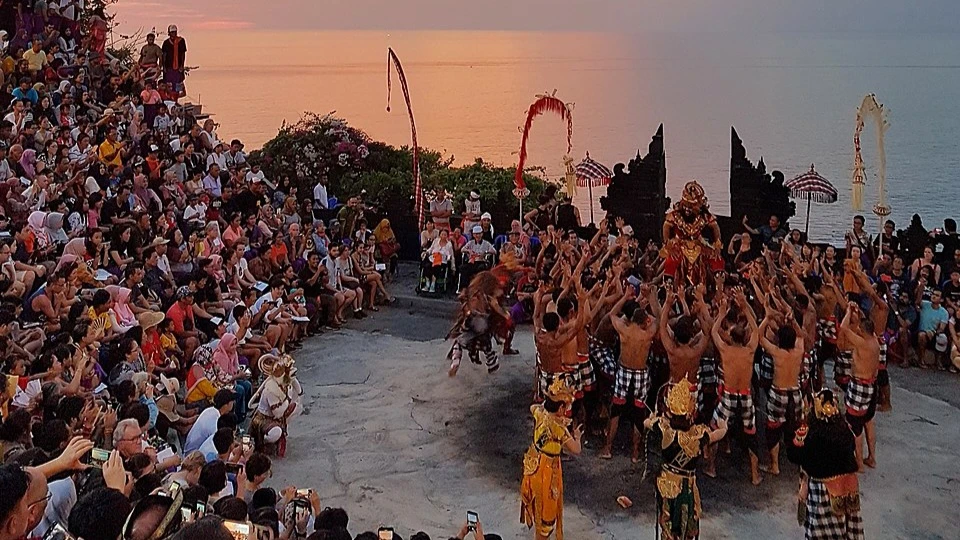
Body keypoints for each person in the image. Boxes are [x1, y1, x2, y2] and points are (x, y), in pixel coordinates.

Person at [644, 380, 727, 540]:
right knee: (688, 523)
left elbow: (647, 423)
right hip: (686, 487)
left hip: (667, 482)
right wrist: (723, 427)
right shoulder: (697, 434)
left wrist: (654, 417)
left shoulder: (664, 428)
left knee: (667, 524)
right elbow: (717, 434)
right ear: (690, 413)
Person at [787, 390, 864, 540]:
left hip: (823, 490)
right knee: (848, 530)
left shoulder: (814, 436)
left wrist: (797, 440)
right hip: (848, 486)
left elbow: (796, 456)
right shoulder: (845, 430)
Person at [519, 378, 581, 540]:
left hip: (534, 465)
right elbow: (576, 449)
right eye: (565, 407)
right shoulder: (557, 428)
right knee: (546, 519)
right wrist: (578, 436)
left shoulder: (540, 413)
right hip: (547, 473)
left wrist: (545, 407)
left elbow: (533, 407)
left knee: (539, 513)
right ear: (560, 407)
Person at [446, 272, 505, 376]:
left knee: (460, 342)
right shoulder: (485, 297)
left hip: (475, 322)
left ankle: (455, 362)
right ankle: (492, 363)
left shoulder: (475, 294)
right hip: (480, 324)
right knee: (484, 345)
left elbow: (466, 304)